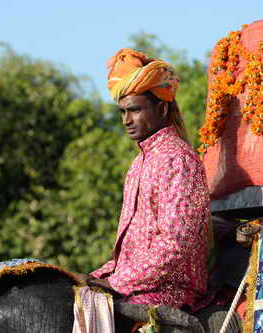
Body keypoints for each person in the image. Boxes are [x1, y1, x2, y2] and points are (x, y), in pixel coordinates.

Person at [82, 48, 211, 311]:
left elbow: (175, 247)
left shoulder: (178, 160)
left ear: (162, 108)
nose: (127, 120)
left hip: (169, 292)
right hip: (134, 286)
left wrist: (117, 282)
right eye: (122, 112)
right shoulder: (138, 163)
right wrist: (99, 276)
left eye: (135, 110)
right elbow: (129, 257)